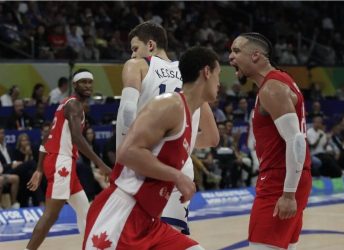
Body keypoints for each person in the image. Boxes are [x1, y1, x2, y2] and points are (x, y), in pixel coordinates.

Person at [83, 46, 220, 250]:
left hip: (150, 221)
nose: (220, 83)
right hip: (121, 215)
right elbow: (127, 152)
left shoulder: (188, 117)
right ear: (207, 72)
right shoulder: (169, 105)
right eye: (218, 76)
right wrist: (177, 176)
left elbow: (211, 138)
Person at [115, 21, 219, 235]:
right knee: (173, 237)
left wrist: (122, 158)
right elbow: (211, 138)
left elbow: (126, 112)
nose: (133, 54)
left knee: (137, 238)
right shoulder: (191, 76)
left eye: (135, 48)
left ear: (150, 45)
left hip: (144, 165)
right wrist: (177, 142)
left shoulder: (137, 65)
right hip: (181, 167)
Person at [229, 32, 312, 250]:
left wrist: (287, 194)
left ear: (255, 55)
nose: (230, 57)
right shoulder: (281, 81)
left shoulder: (272, 87)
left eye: (236, 51)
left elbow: (296, 139)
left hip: (279, 180)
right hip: (292, 176)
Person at [25, 69, 111, 250]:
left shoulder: (64, 104)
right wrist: (101, 164)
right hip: (61, 162)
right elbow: (78, 139)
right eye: (83, 82)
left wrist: (39, 169)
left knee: (86, 212)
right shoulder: (75, 105)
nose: (87, 85)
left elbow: (46, 136)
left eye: (90, 82)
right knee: (51, 215)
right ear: (75, 84)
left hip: (61, 162)